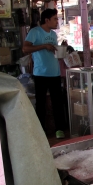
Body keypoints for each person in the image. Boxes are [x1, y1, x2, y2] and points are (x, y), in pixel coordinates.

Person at [23, 8, 67, 139]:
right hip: (41, 73)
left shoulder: (53, 34)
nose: (57, 22)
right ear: (46, 20)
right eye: (55, 19)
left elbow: (54, 53)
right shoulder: (35, 32)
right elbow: (25, 48)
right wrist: (43, 46)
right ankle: (41, 131)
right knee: (41, 104)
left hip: (55, 72)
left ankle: (59, 129)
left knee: (57, 103)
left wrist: (62, 48)